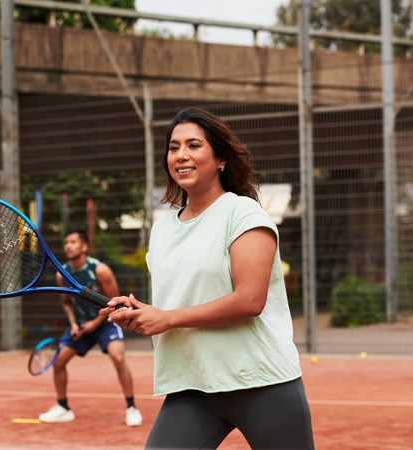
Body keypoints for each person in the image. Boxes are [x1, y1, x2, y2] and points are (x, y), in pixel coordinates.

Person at [102, 107, 315, 449]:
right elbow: (184, 299)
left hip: (260, 382)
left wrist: (167, 318)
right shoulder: (163, 229)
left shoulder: (242, 213)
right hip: (193, 386)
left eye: (194, 145)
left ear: (220, 159)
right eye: (174, 147)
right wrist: (142, 311)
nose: (181, 155)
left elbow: (249, 300)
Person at [38, 230, 143, 427]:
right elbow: (67, 303)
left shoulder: (100, 270)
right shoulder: (62, 275)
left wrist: (94, 323)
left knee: (118, 357)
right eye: (66, 242)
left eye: (73, 242)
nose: (68, 245)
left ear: (85, 246)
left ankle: (131, 408)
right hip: (81, 326)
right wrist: (74, 324)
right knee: (58, 362)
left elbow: (114, 303)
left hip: (106, 323)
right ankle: (63, 408)